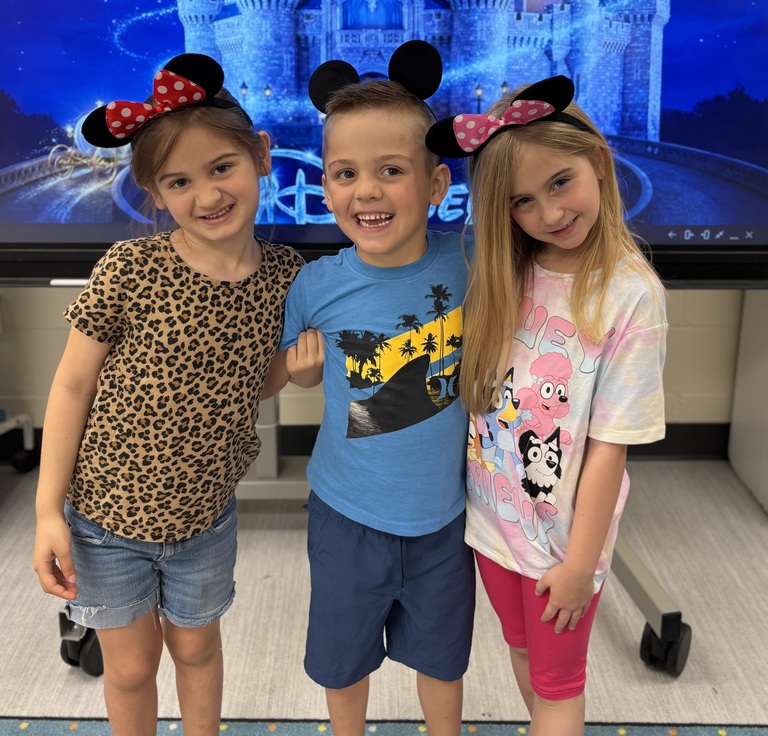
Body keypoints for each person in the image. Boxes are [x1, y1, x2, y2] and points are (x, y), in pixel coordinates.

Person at [33, 53, 303, 736]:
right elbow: (71, 387)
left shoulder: (285, 277)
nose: (207, 194)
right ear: (154, 193)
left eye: (221, 168)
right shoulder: (130, 267)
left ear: (261, 156)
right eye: (179, 181)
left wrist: (297, 372)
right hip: (105, 522)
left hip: (205, 519)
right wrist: (46, 512)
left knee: (197, 648)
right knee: (129, 668)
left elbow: (247, 386)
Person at [426, 74, 667, 736]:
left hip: (564, 543)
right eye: (522, 202)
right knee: (525, 656)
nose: (548, 214)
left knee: (558, 687)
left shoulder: (629, 295)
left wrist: (580, 564)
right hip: (493, 524)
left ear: (598, 161)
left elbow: (610, 448)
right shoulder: (512, 272)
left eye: (560, 183)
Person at [280, 41, 475, 736]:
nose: (366, 191)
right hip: (347, 517)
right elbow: (273, 374)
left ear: (435, 183)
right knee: (342, 662)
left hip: (445, 520)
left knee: (444, 662)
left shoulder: (472, 261)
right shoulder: (316, 285)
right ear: (326, 185)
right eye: (345, 173)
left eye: (391, 171)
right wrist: (295, 373)